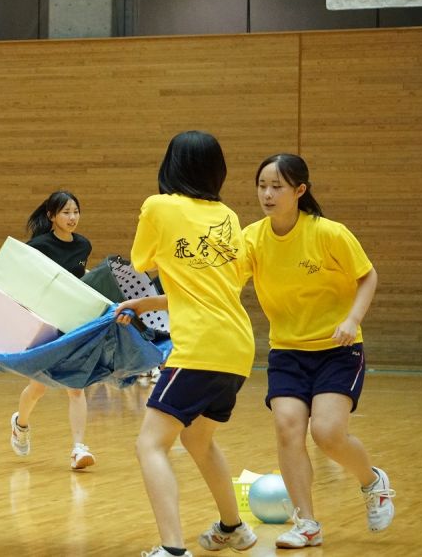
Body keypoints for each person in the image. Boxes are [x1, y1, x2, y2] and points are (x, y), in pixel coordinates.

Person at [115, 131, 257, 557]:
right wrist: (147, 304)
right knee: (198, 440)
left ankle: (172, 550)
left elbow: (141, 261)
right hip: (237, 347)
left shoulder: (158, 206)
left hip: (199, 346)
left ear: (170, 166)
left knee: (150, 444)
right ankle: (233, 528)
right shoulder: (228, 216)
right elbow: (212, 288)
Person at [242, 153, 393, 548]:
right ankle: (306, 523)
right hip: (287, 351)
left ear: (300, 191)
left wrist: (352, 319)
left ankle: (372, 481)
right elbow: (222, 284)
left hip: (337, 350)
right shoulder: (252, 238)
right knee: (288, 428)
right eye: (262, 186)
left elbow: (367, 276)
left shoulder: (329, 233)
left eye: (277, 187)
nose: (267, 194)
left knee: (326, 433)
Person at [9, 190, 98, 470]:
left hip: (73, 324)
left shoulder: (83, 245)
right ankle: (20, 424)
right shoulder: (38, 246)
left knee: (76, 387)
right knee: (38, 387)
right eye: (65, 212)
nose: (72, 217)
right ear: (51, 216)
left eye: (76, 211)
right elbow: (22, 280)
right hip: (45, 324)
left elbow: (79, 278)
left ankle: (78, 448)